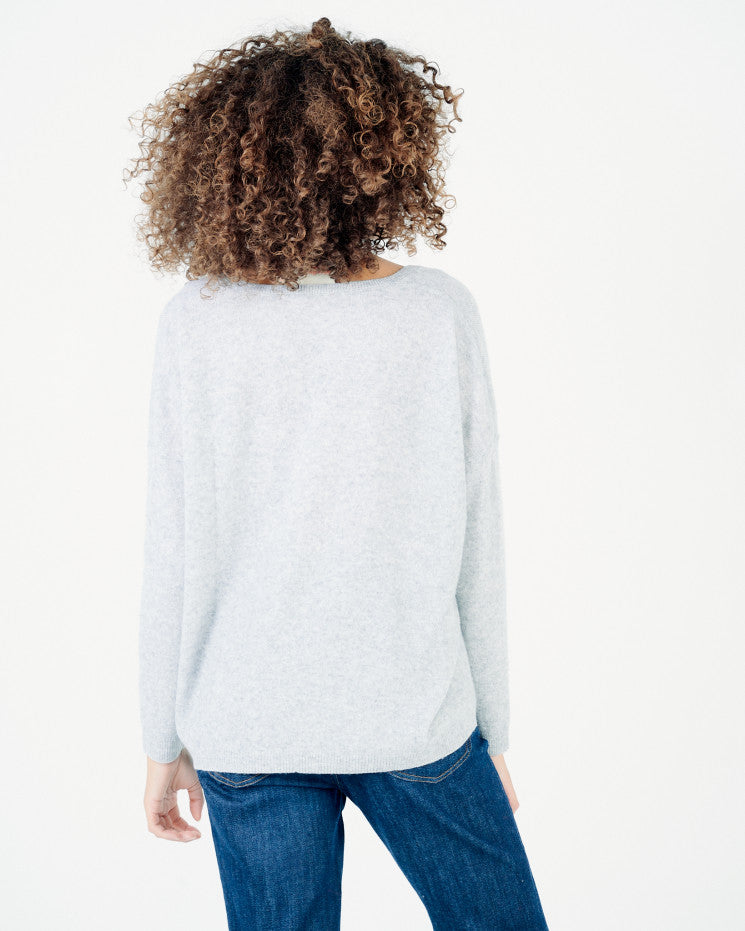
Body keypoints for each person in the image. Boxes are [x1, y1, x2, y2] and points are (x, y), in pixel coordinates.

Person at [125, 16, 550, 931]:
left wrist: (162, 741)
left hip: (245, 720)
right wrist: (494, 732)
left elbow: (172, 549)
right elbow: (478, 538)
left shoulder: (197, 318)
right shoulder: (435, 312)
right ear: (387, 158)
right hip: (415, 715)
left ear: (220, 166)